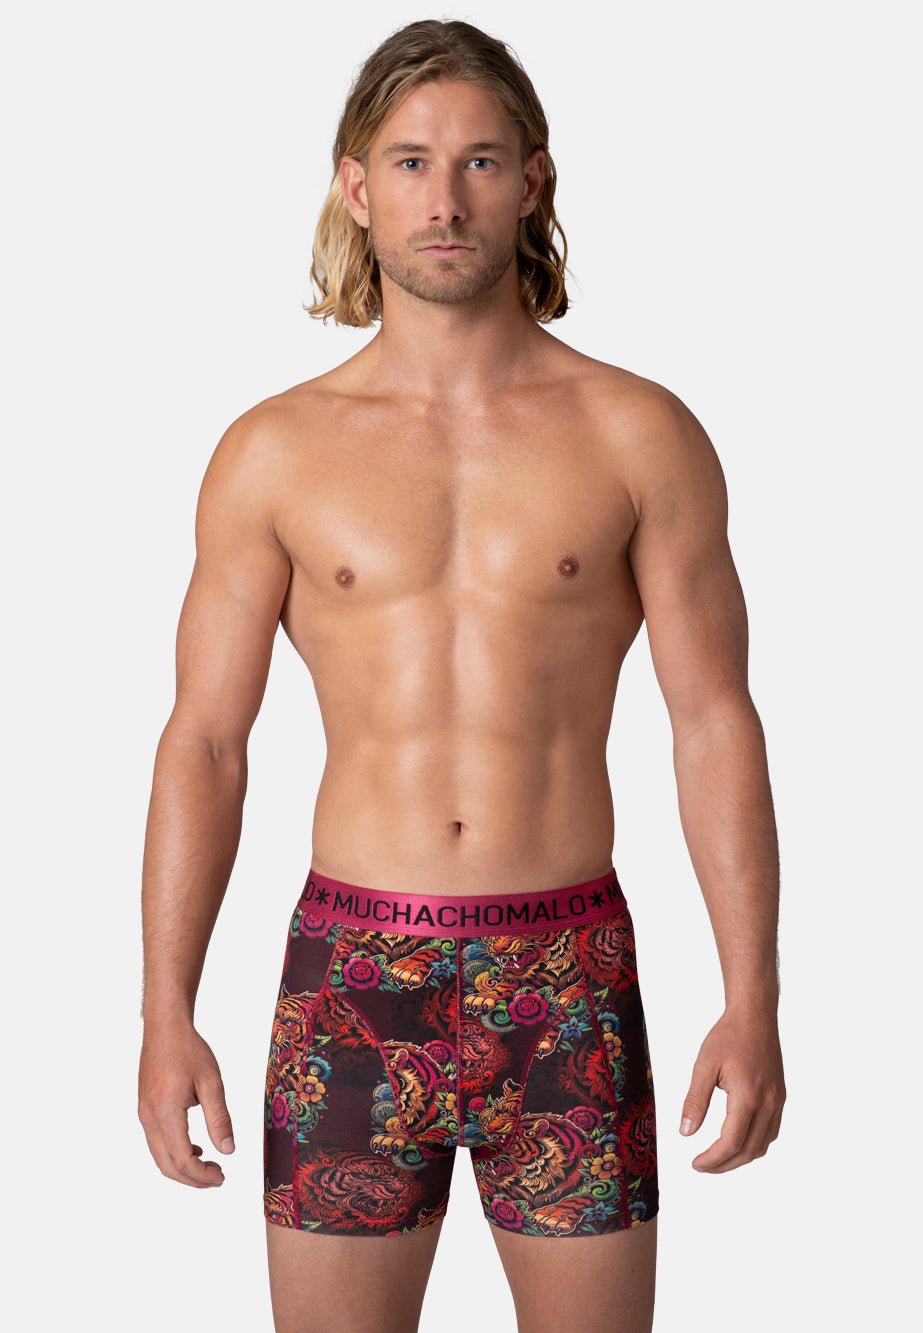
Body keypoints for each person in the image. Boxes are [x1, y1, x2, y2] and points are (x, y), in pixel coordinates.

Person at [137, 17, 785, 1333]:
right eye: (412, 162)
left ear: (532, 181)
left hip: (569, 974)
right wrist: (164, 1011)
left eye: (481, 161)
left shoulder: (638, 433)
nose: (446, 199)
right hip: (351, 978)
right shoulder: (274, 452)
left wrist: (753, 997)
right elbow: (205, 741)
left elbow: (714, 721)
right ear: (355, 186)